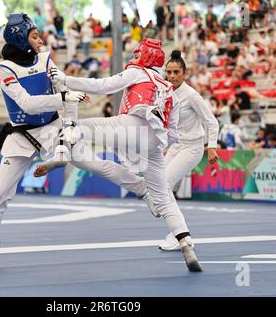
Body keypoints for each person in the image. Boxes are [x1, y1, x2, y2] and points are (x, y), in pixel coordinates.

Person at [0, 14, 156, 273]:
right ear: (20, 39)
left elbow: (67, 95)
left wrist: (69, 126)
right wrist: (62, 97)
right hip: (20, 136)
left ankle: (144, 190)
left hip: (52, 129)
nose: (40, 39)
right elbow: (28, 103)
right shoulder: (5, 70)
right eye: (34, 35)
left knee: (95, 164)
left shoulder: (46, 59)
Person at [41, 38, 203, 272]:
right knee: (163, 198)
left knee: (79, 127)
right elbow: (173, 127)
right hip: (155, 143)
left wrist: (64, 79)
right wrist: (158, 145)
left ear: (145, 57)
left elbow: (102, 85)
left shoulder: (138, 73)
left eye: (138, 54)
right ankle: (185, 242)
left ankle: (62, 153)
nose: (134, 58)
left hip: (132, 126)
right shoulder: (169, 87)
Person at [158, 50, 219, 250]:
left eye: (176, 72)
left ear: (184, 73)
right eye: (169, 72)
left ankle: (181, 236)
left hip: (192, 148)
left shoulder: (192, 96)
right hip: (175, 146)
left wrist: (211, 147)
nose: (172, 76)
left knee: (165, 183)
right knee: (158, 185)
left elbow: (211, 121)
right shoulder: (165, 92)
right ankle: (175, 231)